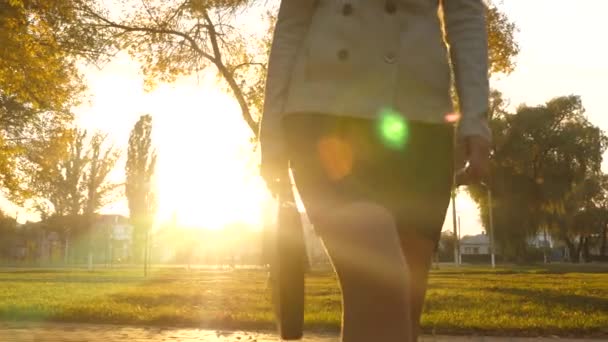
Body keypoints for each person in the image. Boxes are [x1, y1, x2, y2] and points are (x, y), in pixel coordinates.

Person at [259, 0, 490, 341]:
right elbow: (292, 21)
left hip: (421, 122)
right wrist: (272, 133)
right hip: (326, 117)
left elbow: (466, 15)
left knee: (402, 313)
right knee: (380, 282)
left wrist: (477, 121)